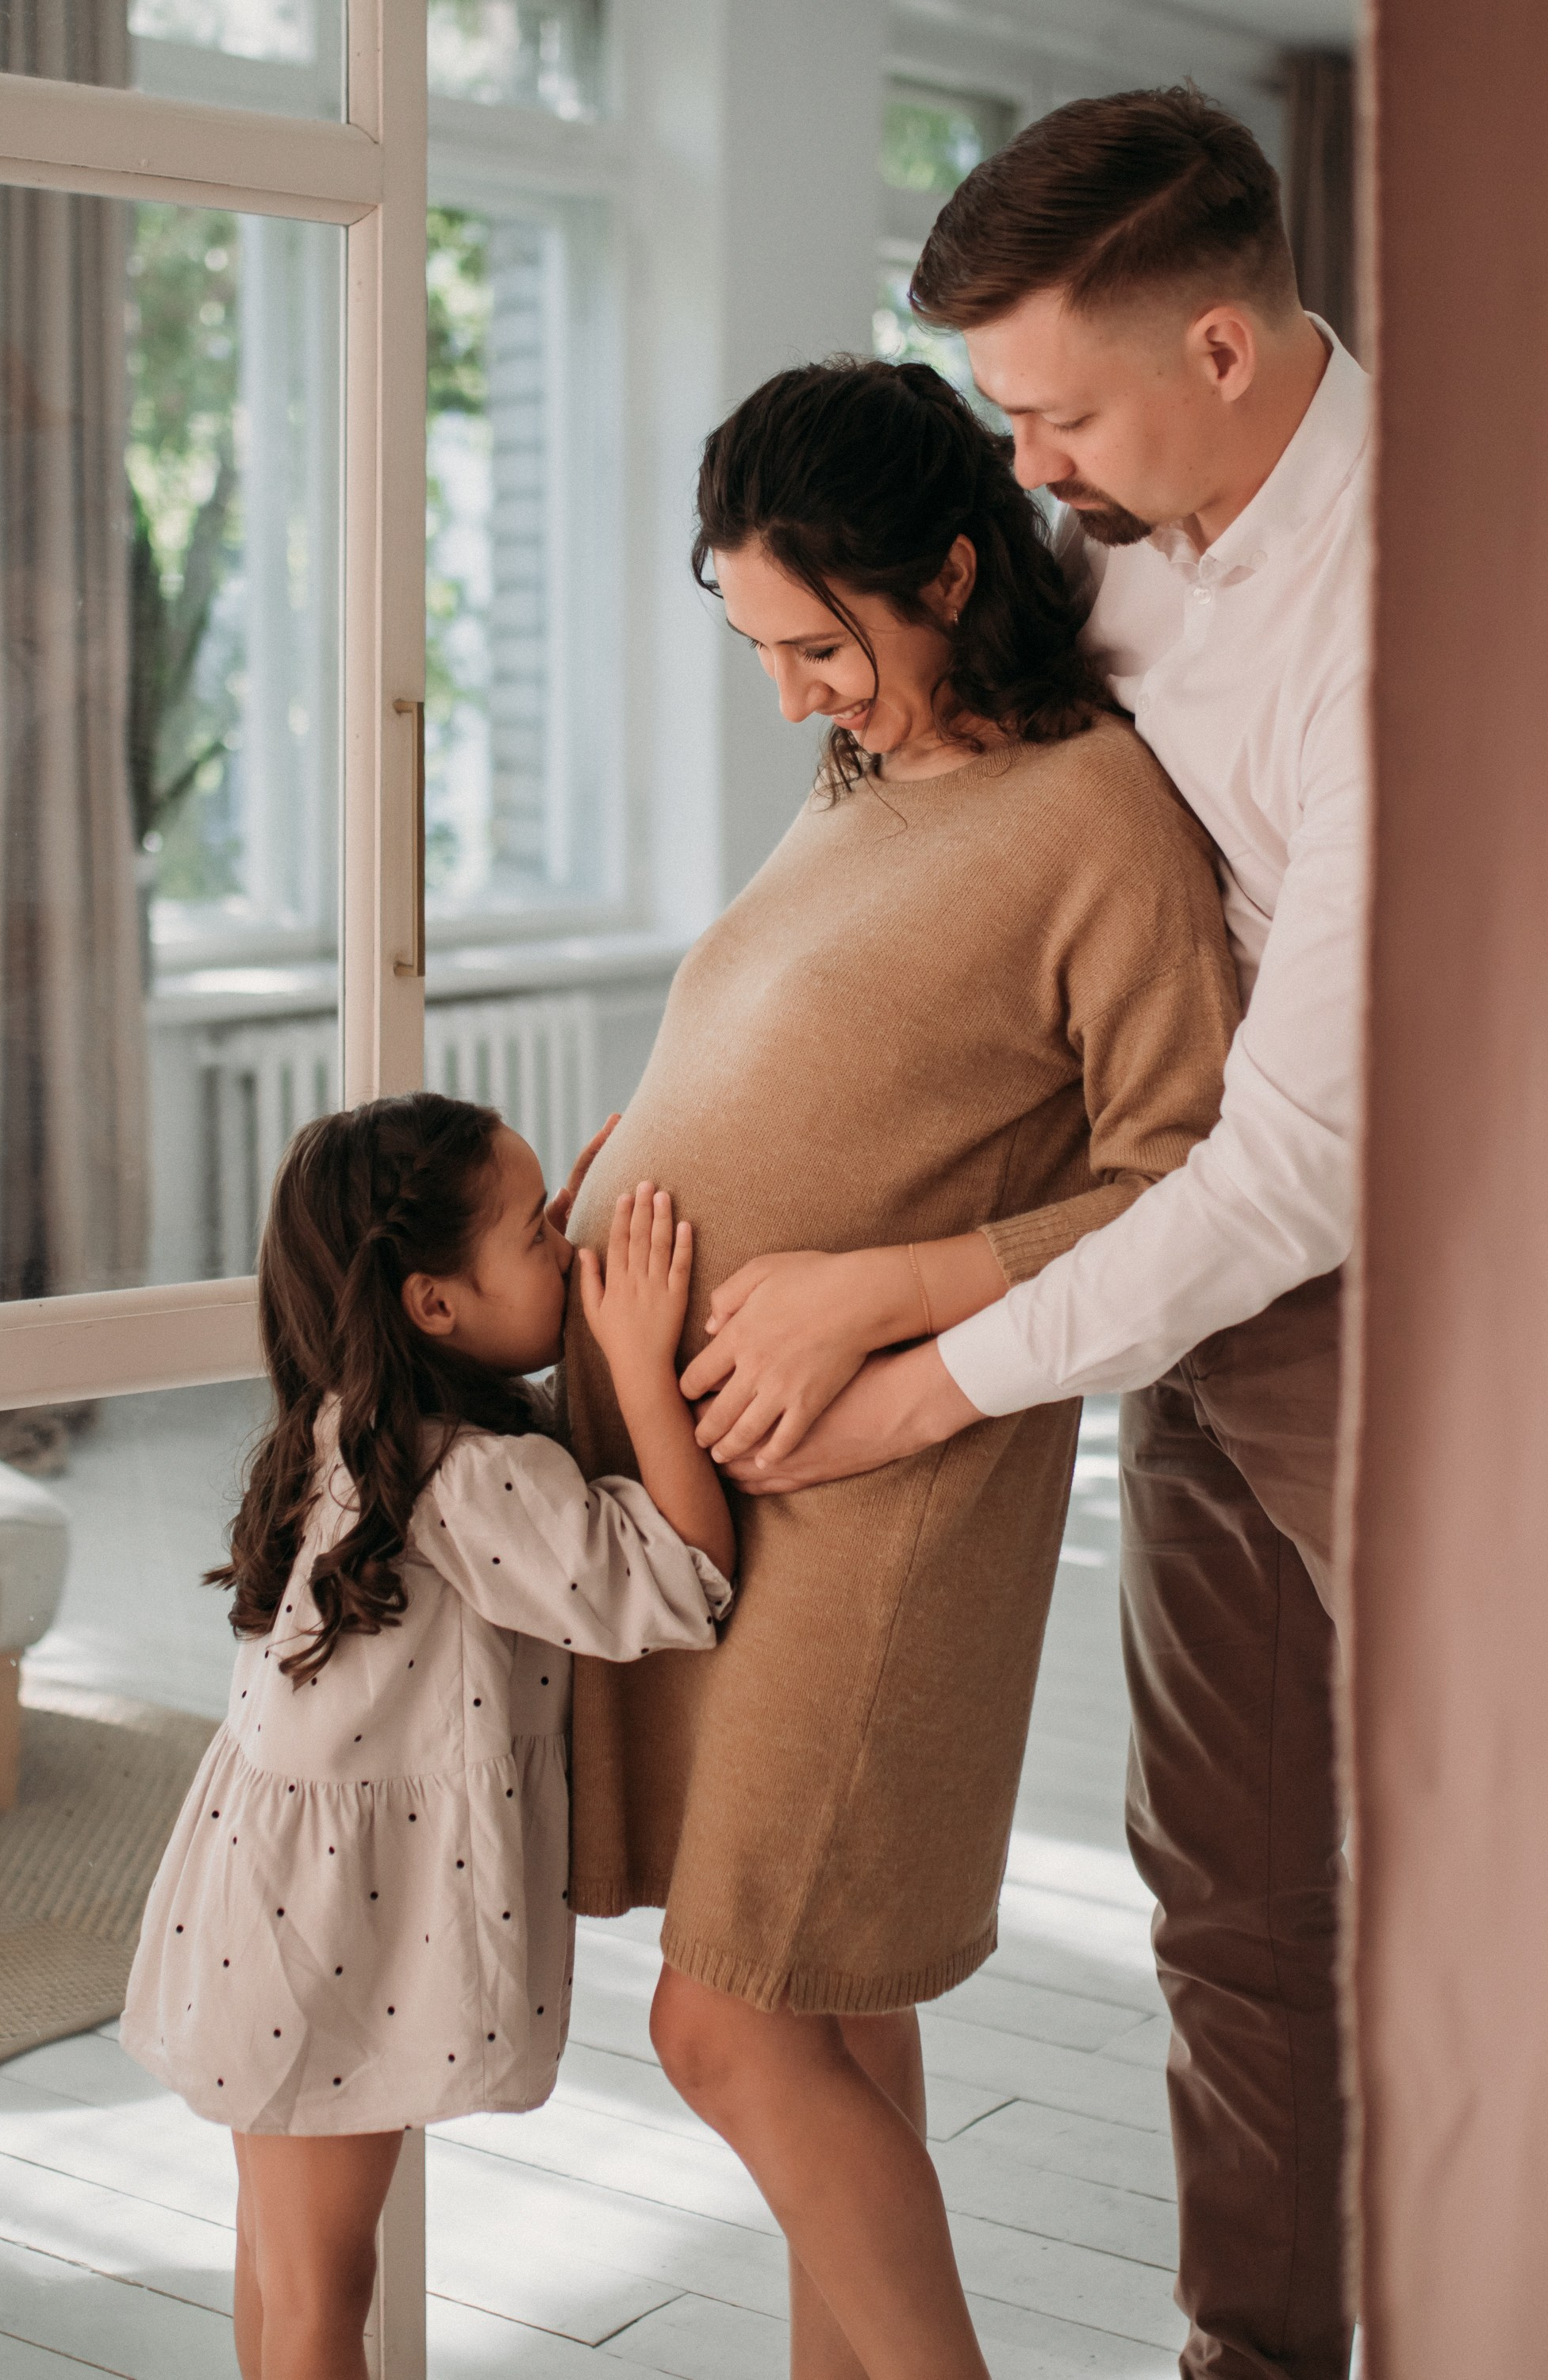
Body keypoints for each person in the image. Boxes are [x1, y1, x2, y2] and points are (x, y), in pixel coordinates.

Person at [687, 90, 1366, 2380]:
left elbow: (1284, 1162)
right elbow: (940, 648)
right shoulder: (1086, 540)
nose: (1031, 466)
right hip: (1162, 1305)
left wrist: (906, 1341)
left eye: (1054, 409)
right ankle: (1253, 2354)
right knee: (1233, 1901)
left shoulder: (1406, 612)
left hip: (1377, 1290)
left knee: (1479, 1869)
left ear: (1223, 358)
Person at [560, 355, 1239, 2380]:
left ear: (949, 573)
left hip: (884, 1485)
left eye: (816, 643)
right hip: (719, 1472)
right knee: (837, 2009)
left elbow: (1186, 1176)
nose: (790, 693)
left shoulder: (1095, 814)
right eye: (757, 645)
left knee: (729, 2015)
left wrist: (874, 1292)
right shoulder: (869, 772)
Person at [121, 1093, 732, 2380]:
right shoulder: (470, 1476)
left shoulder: (356, 1426)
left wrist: (551, 1255)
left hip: (276, 1909)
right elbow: (679, 1582)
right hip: (325, 1933)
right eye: (536, 1235)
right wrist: (632, 1360)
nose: (569, 1254)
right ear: (434, 1305)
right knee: (318, 2298)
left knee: (287, 2279)